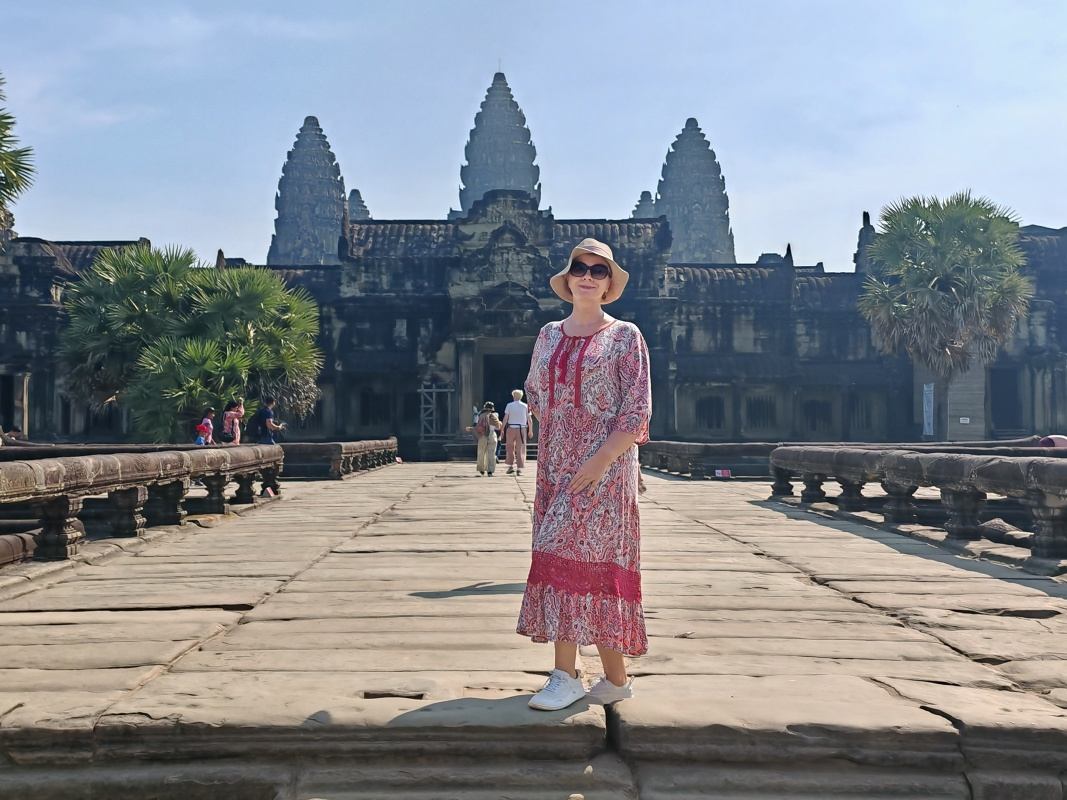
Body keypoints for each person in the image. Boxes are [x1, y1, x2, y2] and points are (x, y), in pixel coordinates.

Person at [517, 237, 652, 711]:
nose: (588, 277)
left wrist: (597, 461)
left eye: (599, 271)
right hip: (556, 466)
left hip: (606, 469)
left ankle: (565, 674)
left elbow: (636, 411)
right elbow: (537, 395)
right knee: (565, 559)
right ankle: (614, 679)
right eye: (580, 268)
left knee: (575, 555)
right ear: (567, 277)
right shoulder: (548, 335)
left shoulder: (625, 336)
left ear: (609, 282)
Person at [501, 389, 533, 476]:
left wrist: (502, 429)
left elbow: (505, 418)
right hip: (521, 429)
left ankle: (510, 466)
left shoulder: (509, 405)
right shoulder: (525, 406)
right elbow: (529, 420)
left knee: (510, 448)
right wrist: (530, 430)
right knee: (521, 449)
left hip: (511, 428)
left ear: (513, 396)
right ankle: (519, 468)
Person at [467, 401, 502, 476]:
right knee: (491, 454)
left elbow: (477, 426)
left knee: (481, 453)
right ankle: (490, 471)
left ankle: (481, 469)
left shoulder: (481, 415)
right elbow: (498, 427)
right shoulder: (495, 415)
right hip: (492, 435)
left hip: (483, 436)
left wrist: (471, 429)